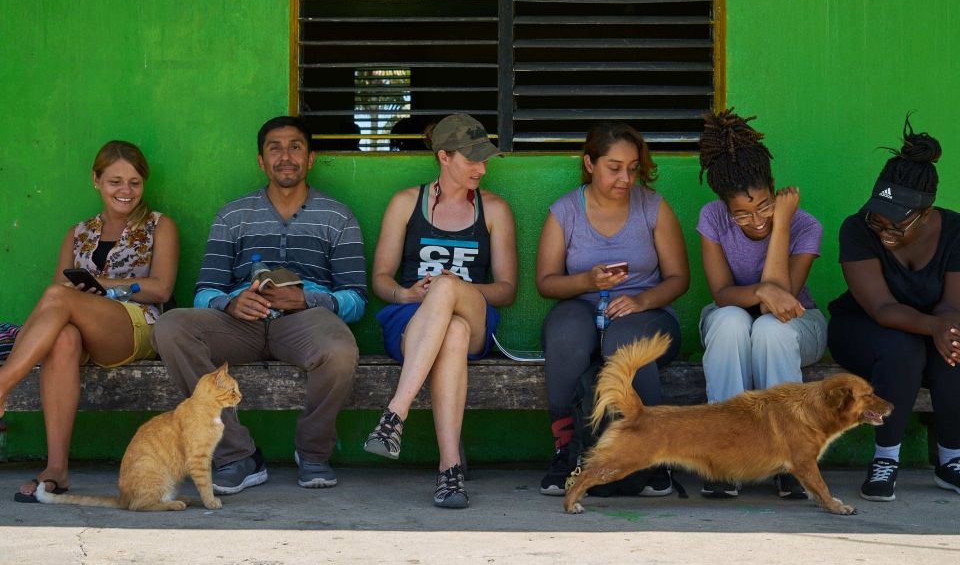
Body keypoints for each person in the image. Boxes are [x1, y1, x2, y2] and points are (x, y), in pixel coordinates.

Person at [151, 116, 366, 494]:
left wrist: (305, 298)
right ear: (261, 161)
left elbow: (356, 299)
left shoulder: (338, 216)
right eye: (274, 148)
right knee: (170, 327)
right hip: (240, 325)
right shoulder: (233, 214)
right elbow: (204, 291)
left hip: (304, 321)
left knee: (340, 349)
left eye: (295, 147)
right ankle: (237, 455)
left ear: (310, 158)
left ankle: (313, 453)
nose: (286, 157)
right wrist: (231, 304)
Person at [1, 141, 179, 502]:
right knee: (62, 336)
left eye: (134, 182)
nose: (126, 191)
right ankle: (56, 469)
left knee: (59, 295)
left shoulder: (159, 226)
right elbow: (58, 297)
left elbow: (161, 288)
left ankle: (2, 383)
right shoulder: (78, 233)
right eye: (115, 181)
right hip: (85, 332)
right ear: (95, 180)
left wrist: (102, 285)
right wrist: (81, 296)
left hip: (138, 324)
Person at [364, 114, 517, 508]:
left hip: (476, 315)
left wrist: (454, 290)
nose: (482, 169)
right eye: (472, 160)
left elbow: (506, 289)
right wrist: (407, 295)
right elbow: (380, 278)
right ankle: (450, 471)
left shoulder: (494, 209)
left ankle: (395, 414)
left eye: (485, 161)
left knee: (449, 291)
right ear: (444, 157)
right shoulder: (405, 203)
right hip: (412, 320)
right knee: (452, 332)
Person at [536, 121, 689, 497]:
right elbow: (546, 282)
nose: (626, 178)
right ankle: (567, 452)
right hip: (582, 306)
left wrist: (641, 301)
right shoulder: (565, 212)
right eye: (615, 168)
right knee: (565, 336)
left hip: (647, 313)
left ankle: (655, 457)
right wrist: (587, 282)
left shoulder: (653, 207)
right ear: (589, 163)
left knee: (624, 340)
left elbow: (679, 278)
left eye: (633, 168)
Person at [695, 109, 826, 500]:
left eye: (765, 206)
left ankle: (788, 457)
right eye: (741, 213)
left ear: (773, 188)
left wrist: (781, 223)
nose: (756, 221)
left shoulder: (805, 225)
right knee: (730, 320)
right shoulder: (712, 218)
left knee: (770, 328)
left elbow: (782, 302)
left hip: (797, 324)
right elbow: (721, 292)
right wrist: (759, 292)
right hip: (733, 319)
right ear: (724, 206)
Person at [828, 114, 960, 501]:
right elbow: (882, 307)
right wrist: (934, 327)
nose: (884, 231)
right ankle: (885, 458)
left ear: (926, 213)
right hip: (862, 329)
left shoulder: (955, 231)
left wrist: (946, 329)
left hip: (926, 331)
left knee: (954, 348)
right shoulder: (856, 229)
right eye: (877, 219)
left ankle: (951, 460)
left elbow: (952, 304)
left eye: (896, 225)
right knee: (903, 348)